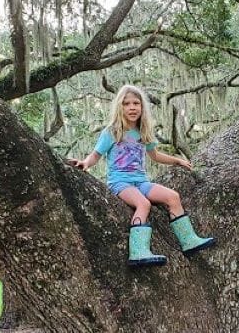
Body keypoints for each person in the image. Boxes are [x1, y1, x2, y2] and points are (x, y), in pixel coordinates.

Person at [69, 85, 215, 267]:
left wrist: (177, 161)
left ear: (142, 107)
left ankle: (189, 241)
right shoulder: (112, 132)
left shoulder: (144, 132)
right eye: (126, 104)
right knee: (143, 204)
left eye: (136, 103)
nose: (132, 107)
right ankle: (138, 251)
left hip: (142, 182)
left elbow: (155, 155)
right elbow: (96, 155)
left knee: (173, 197)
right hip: (120, 183)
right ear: (119, 107)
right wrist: (85, 163)